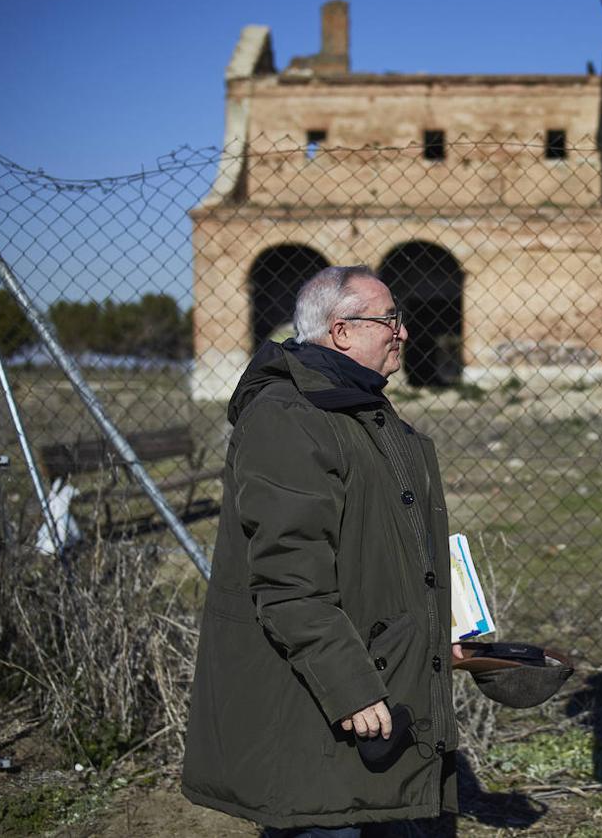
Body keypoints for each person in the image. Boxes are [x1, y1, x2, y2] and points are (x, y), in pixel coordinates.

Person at [183, 266, 457, 837]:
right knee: (323, 819)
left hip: (371, 682)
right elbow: (288, 580)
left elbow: (391, 552)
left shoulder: (362, 413)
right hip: (319, 699)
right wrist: (351, 687)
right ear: (340, 331)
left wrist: (445, 633)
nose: (402, 332)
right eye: (389, 320)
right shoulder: (291, 418)